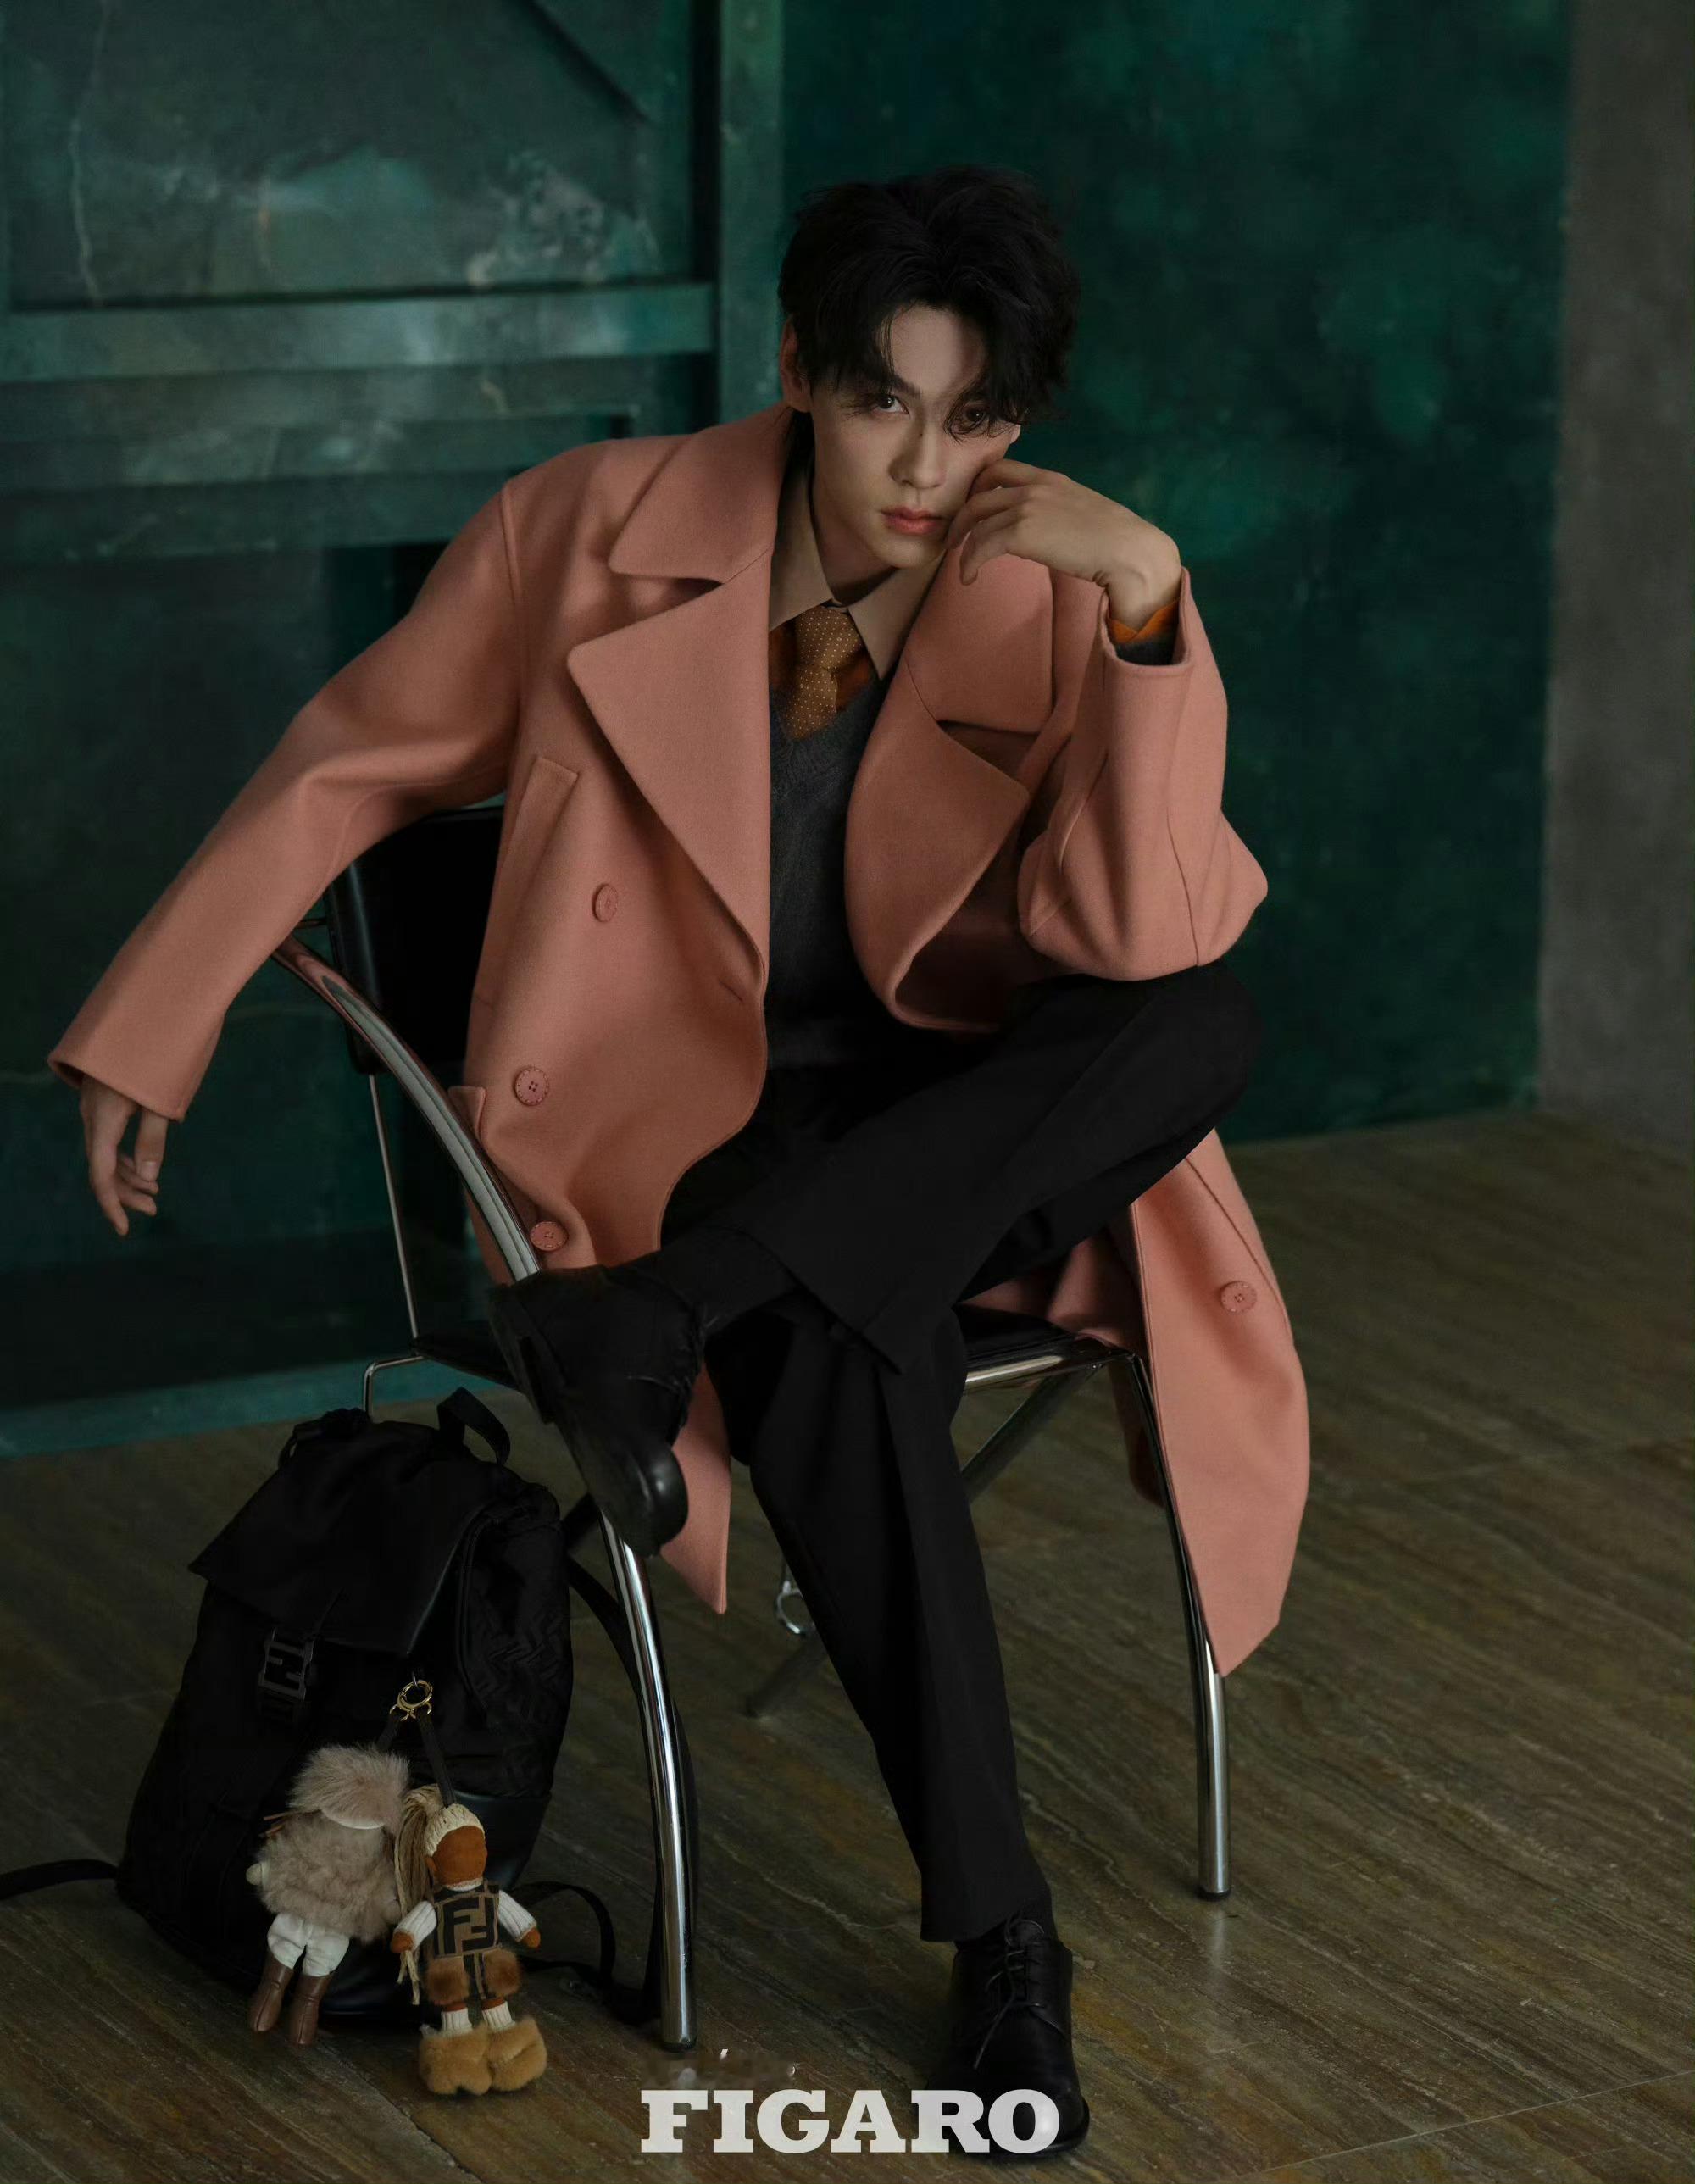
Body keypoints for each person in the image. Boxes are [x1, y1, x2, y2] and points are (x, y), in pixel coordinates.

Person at [53, 165, 1287, 2154]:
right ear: (797, 367)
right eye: (883, 402)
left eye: (975, 419)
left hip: (948, 1116)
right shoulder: (584, 528)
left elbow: (1140, 940)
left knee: (1202, 1015)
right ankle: (1004, 1940)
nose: (926, 468)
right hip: (697, 1119)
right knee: (846, 1333)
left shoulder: (1060, 577)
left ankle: (668, 1311)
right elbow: (351, 760)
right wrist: (157, 1015)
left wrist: (1145, 604)